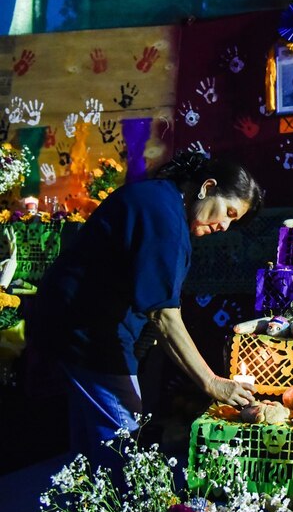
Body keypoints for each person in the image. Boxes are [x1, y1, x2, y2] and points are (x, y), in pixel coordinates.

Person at [30, 152, 261, 470]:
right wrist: (211, 382)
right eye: (228, 212)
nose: (224, 225)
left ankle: (86, 508)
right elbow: (164, 314)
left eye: (233, 222)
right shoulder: (162, 215)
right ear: (207, 187)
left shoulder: (164, 202)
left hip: (76, 323)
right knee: (122, 446)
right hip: (86, 331)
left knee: (91, 448)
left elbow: (147, 293)